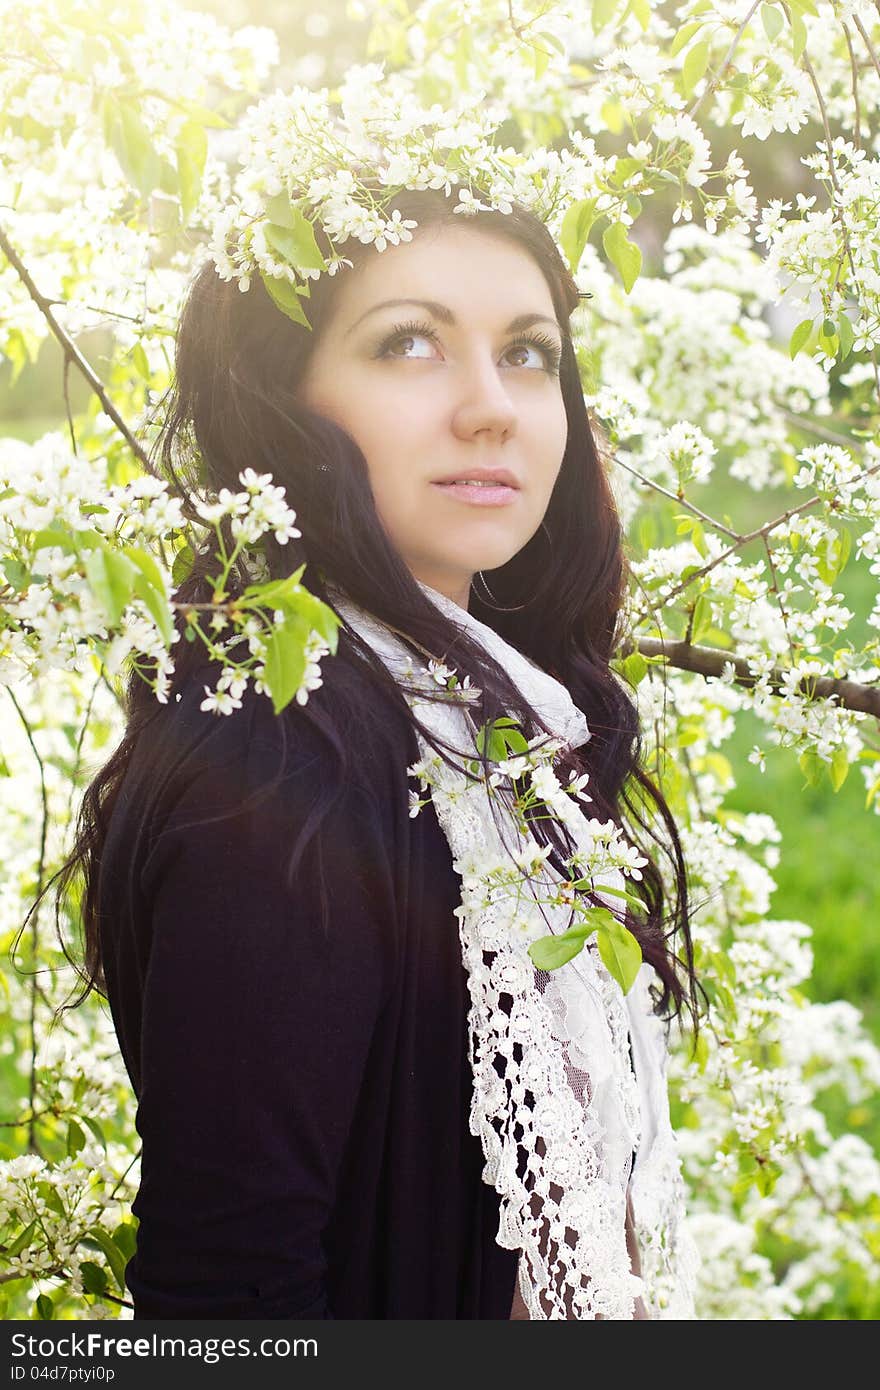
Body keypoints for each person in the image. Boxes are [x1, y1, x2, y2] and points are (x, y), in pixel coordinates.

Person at [56, 173, 701, 1318]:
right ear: (279, 395)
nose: (490, 405)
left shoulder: (503, 729)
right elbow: (224, 1308)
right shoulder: (275, 779)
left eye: (530, 352)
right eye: (408, 343)